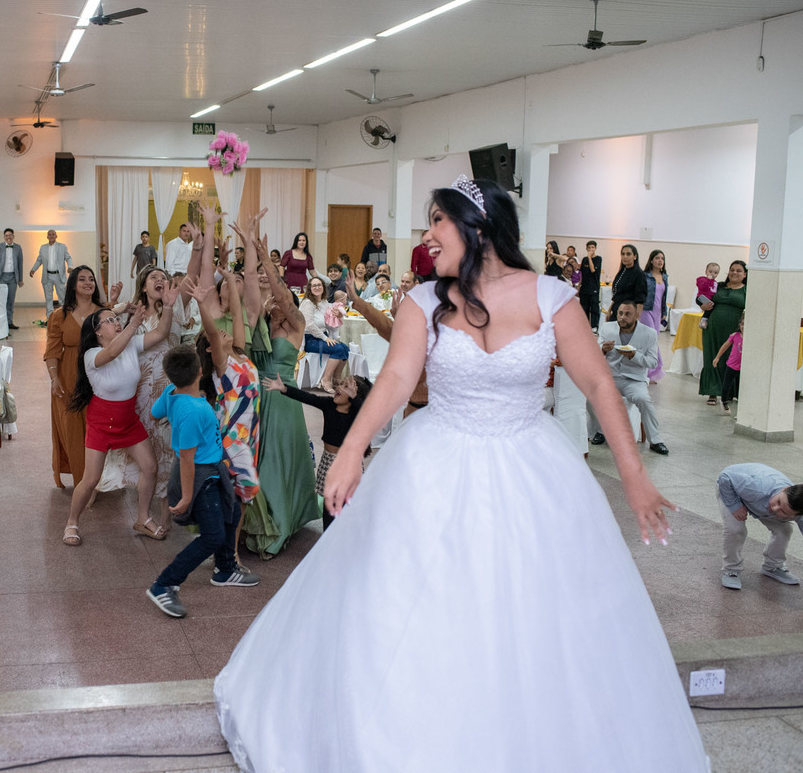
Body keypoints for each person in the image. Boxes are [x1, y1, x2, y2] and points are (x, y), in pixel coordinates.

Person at [214, 176, 707, 772]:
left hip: (533, 470)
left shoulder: (551, 296)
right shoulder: (423, 301)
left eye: (437, 221)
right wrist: (351, 449)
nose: (427, 235)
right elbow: (396, 379)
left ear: (477, 227)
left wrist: (633, 475)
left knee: (533, 612)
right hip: (435, 464)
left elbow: (600, 382)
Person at [146, 344, 255, 618]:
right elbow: (186, 458)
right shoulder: (197, 412)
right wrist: (185, 496)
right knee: (213, 536)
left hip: (212, 469)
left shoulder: (172, 394)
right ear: (200, 371)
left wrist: (180, 397)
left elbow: (155, 413)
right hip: (201, 475)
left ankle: (225, 569)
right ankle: (164, 584)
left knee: (230, 514)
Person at [231, 225, 320, 558]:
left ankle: (277, 525)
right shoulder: (262, 324)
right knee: (256, 461)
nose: (278, 303)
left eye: (283, 300)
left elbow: (281, 293)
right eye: (275, 302)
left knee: (276, 462)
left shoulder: (296, 323)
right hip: (255, 397)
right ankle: (253, 521)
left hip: (283, 398)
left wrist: (266, 259)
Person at [62, 288, 176, 547]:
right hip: (101, 422)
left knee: (150, 467)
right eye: (109, 321)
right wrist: (133, 322)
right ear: (97, 332)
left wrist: (167, 308)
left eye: (116, 319)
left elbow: (160, 333)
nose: (115, 323)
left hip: (127, 420)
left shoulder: (131, 345)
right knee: (90, 479)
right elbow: (111, 353)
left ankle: (143, 518)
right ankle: (72, 521)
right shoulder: (92, 355)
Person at [183, 269, 260, 571]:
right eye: (216, 337)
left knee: (237, 500)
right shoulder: (222, 366)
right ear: (209, 348)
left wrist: (230, 278)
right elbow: (214, 332)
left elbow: (237, 318)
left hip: (248, 436)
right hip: (231, 438)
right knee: (237, 498)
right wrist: (203, 303)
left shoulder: (239, 354)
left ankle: (226, 555)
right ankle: (227, 559)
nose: (225, 332)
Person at [96, 266, 179, 534]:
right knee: (147, 457)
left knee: (168, 454)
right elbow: (104, 330)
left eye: (163, 278)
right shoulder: (131, 316)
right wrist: (117, 305)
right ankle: (142, 513)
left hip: (166, 392)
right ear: (143, 285)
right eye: (154, 277)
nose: (160, 281)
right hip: (139, 395)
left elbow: (164, 333)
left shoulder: (174, 309)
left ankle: (162, 519)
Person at [262, 373, 371, 530]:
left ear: (355, 395)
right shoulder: (329, 405)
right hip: (328, 461)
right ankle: (328, 535)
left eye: (345, 386)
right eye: (340, 384)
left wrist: (354, 398)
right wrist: (284, 388)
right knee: (329, 504)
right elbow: (308, 397)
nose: (339, 387)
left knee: (344, 504)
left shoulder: (356, 415)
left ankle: (344, 534)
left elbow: (366, 415)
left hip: (346, 465)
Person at [45, 266, 106, 489]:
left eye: (91, 279)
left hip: (99, 379)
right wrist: (54, 378)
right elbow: (52, 351)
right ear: (73, 285)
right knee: (72, 431)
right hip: (69, 378)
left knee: (97, 430)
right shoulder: (59, 316)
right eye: (82, 279)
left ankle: (99, 480)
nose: (88, 282)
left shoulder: (102, 312)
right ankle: (82, 482)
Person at [588, 300, 669, 455]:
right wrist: (602, 350)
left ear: (636, 316)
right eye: (620, 313)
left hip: (635, 380)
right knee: (591, 397)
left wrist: (634, 355)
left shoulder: (649, 333)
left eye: (627, 314)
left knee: (644, 400)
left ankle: (655, 440)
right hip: (611, 377)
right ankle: (601, 431)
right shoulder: (607, 328)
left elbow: (652, 362)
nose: (622, 318)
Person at [718, 463, 803, 591]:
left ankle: (772, 567)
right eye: (779, 502)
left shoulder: (799, 513)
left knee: (784, 530)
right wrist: (734, 505)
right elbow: (725, 477)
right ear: (784, 489)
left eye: (784, 512)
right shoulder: (756, 486)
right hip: (732, 490)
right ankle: (731, 570)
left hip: (759, 501)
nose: (775, 509)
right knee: (735, 529)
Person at [699, 260, 746, 406]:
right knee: (712, 357)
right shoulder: (718, 286)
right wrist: (703, 305)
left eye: (739, 270)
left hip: (734, 331)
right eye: (732, 270)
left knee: (731, 359)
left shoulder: (747, 290)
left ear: (745, 274)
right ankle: (712, 392)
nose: (734, 273)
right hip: (712, 329)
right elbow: (703, 297)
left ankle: (729, 392)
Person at [300, 276, 349, 393]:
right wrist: (325, 338)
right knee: (337, 349)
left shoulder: (324, 303)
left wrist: (338, 316)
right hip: (310, 339)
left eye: (319, 285)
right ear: (310, 288)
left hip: (322, 336)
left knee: (345, 349)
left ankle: (336, 379)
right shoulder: (308, 303)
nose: (317, 287)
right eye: (314, 285)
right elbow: (309, 325)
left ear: (323, 287)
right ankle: (325, 380)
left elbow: (329, 324)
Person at [640, 249, 668, 382]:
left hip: (658, 312)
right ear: (651, 260)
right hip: (646, 310)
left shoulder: (665, 277)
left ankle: (651, 371)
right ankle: (652, 370)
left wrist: (664, 312)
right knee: (651, 339)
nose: (660, 260)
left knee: (653, 340)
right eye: (657, 258)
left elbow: (664, 297)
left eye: (662, 258)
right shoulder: (645, 276)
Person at [30, 229, 73, 317]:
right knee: (48, 298)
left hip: (59, 275)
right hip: (47, 276)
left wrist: (70, 266)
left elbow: (68, 258)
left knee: (62, 298)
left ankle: (64, 316)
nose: (51, 235)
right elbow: (39, 260)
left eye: (53, 234)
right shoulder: (43, 247)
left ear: (56, 236)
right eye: (49, 234)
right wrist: (33, 269)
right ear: (47, 237)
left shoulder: (62, 246)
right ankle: (49, 318)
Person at [0, 228, 24, 330]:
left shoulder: (18, 248)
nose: (8, 237)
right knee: (1, 301)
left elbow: (20, 264)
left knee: (10, 300)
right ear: (4, 237)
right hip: (1, 277)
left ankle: (9, 322)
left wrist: (20, 279)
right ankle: (1, 323)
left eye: (10, 235)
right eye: (6, 235)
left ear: (13, 236)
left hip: (13, 277)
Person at [713, 312, 743, 414]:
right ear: (739, 325)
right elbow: (725, 346)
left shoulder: (751, 338)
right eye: (742, 324)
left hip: (743, 367)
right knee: (727, 384)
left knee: (743, 386)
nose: (743, 326)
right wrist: (717, 357)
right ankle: (724, 401)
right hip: (732, 365)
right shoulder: (735, 336)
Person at [608, 244, 646, 323]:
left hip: (628, 315)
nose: (625, 256)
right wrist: (609, 310)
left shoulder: (639, 274)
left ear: (635, 256)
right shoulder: (622, 272)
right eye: (623, 254)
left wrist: (636, 319)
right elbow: (617, 295)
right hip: (616, 312)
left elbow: (640, 300)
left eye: (628, 254)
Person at [578, 239, 602, 330]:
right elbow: (582, 274)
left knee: (594, 307)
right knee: (584, 307)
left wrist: (589, 257)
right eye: (589, 248)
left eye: (592, 247)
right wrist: (578, 286)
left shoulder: (598, 259)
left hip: (594, 287)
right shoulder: (584, 260)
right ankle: (584, 325)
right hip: (584, 287)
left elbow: (593, 270)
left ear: (595, 248)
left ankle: (594, 326)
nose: (591, 249)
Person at [695, 261, 721, 329]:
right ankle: (703, 320)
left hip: (709, 299)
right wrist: (708, 280)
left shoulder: (715, 283)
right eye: (710, 271)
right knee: (710, 305)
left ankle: (706, 320)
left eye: (715, 273)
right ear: (706, 271)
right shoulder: (702, 279)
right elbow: (702, 287)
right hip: (701, 297)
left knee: (712, 306)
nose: (712, 274)